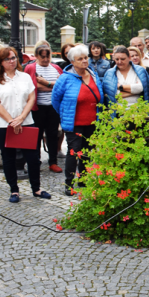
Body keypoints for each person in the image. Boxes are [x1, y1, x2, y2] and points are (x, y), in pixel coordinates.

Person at [0, 46, 51, 202]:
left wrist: (21, 118)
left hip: (26, 122)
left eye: (14, 57)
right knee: (8, 157)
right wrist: (11, 120)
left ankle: (36, 188)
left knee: (33, 157)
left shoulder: (24, 77)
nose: (12, 61)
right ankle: (14, 190)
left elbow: (31, 98)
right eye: (8, 59)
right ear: (1, 62)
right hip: (3, 124)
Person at [52, 44, 103, 196]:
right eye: (80, 59)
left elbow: (99, 96)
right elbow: (55, 100)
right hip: (74, 123)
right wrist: (64, 114)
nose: (84, 61)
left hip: (92, 121)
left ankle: (84, 180)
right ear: (72, 62)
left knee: (87, 152)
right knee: (74, 153)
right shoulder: (65, 78)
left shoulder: (93, 75)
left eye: (86, 58)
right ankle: (69, 183)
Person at [25, 42, 63, 173]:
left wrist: (45, 83)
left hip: (53, 107)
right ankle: (36, 161)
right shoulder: (30, 68)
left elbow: (61, 86)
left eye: (48, 57)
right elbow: (32, 87)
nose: (46, 60)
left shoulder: (56, 68)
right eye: (43, 57)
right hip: (37, 107)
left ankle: (53, 162)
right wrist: (52, 85)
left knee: (53, 135)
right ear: (36, 56)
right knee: (36, 135)